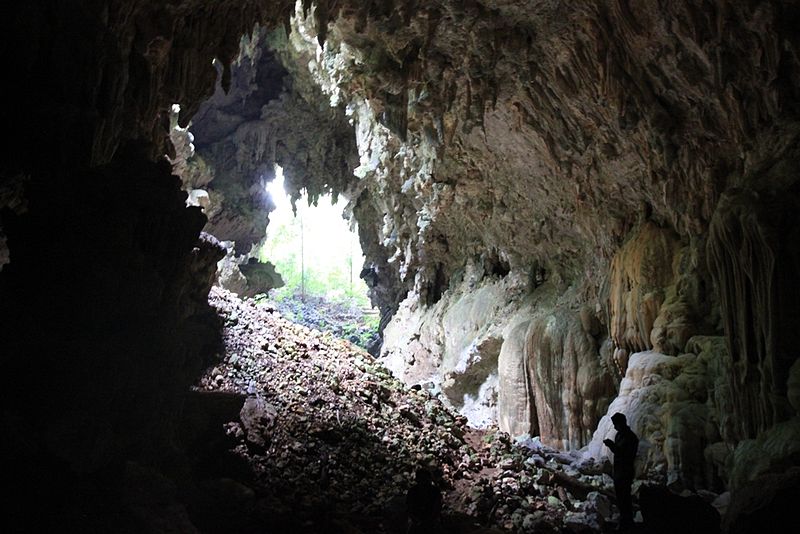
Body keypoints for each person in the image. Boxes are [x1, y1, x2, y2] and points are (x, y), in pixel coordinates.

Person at [603, 412, 639, 530]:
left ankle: (627, 523)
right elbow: (619, 452)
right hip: (618, 471)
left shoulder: (630, 437)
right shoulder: (619, 435)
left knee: (625, 498)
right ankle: (624, 521)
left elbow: (624, 454)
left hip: (626, 471)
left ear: (621, 423)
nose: (614, 427)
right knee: (620, 497)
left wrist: (611, 445)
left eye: (615, 424)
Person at [406, 467, 442, 533]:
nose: (424, 482)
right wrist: (416, 520)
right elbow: (409, 507)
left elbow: (437, 507)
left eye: (425, 479)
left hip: (431, 520)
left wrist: (430, 520)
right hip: (417, 519)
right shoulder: (413, 491)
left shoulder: (435, 491)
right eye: (421, 479)